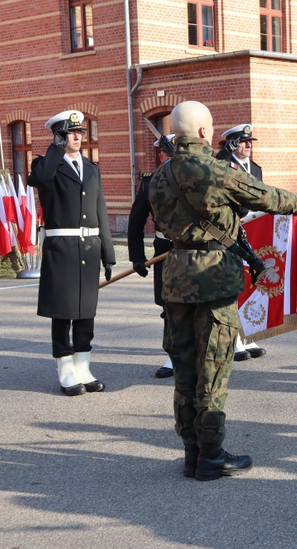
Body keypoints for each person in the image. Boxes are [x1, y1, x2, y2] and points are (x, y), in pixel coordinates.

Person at [148, 101, 297, 481]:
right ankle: (211, 454)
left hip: (175, 279)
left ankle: (191, 452)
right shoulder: (215, 170)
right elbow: (263, 195)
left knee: (185, 370)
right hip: (212, 279)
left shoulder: (159, 175)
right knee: (213, 368)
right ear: (206, 132)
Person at [28, 110, 116, 396]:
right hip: (61, 248)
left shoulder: (91, 168)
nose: (78, 137)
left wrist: (108, 253)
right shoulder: (47, 165)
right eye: (70, 133)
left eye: (80, 132)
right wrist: (55, 146)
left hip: (89, 248)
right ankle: (65, 369)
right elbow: (38, 178)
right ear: (59, 136)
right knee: (63, 310)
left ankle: (83, 366)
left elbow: (100, 210)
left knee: (85, 311)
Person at [215, 124, 267, 361]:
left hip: (252, 232)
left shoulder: (255, 169)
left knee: (249, 285)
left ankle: (246, 336)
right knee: (234, 285)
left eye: (250, 142)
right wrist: (225, 152)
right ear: (233, 144)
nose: (248, 145)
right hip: (231, 235)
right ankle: (233, 340)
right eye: (243, 142)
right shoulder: (223, 164)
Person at [128, 134, 177, 379]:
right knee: (168, 306)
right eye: (168, 151)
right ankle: (173, 356)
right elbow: (136, 222)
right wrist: (137, 256)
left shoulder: (196, 176)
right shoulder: (150, 182)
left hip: (196, 250)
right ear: (161, 154)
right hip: (165, 251)